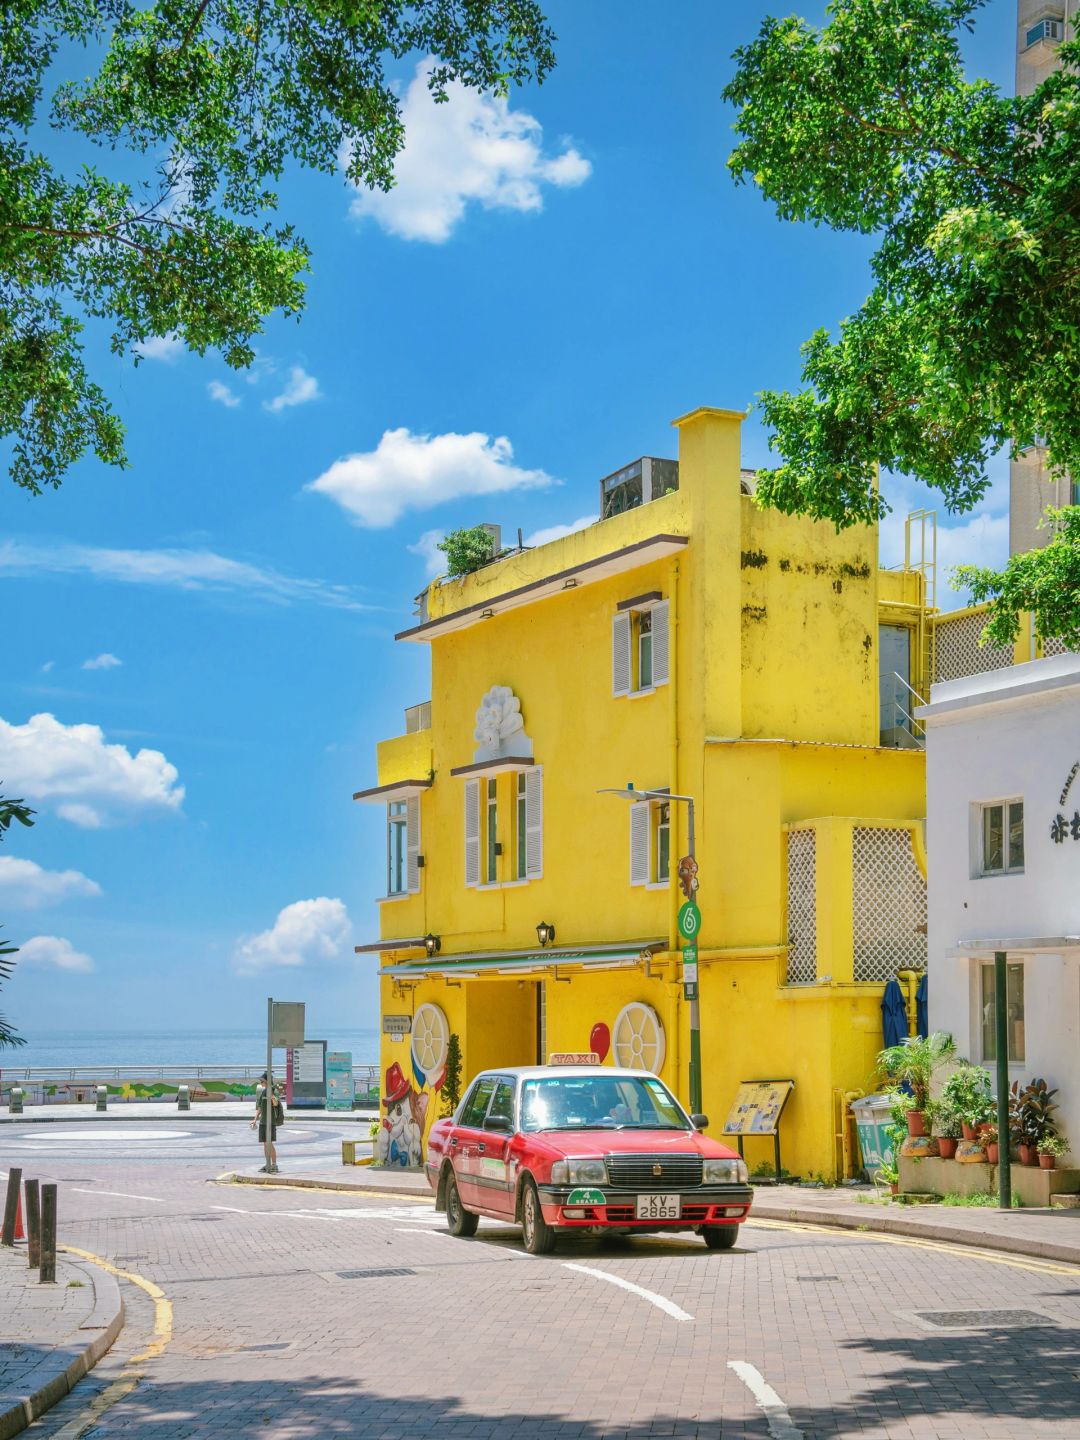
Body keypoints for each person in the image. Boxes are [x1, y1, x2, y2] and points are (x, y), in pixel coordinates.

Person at [251, 1073, 284, 1172]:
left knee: (269, 1143)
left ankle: (274, 1164)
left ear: (267, 1082)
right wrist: (255, 1119)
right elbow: (260, 1107)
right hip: (263, 1122)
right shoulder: (263, 1092)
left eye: (262, 1081)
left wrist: (272, 1096)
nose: (261, 1083)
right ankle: (267, 1164)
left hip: (271, 1122)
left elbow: (276, 1103)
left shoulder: (273, 1091)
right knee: (265, 1144)